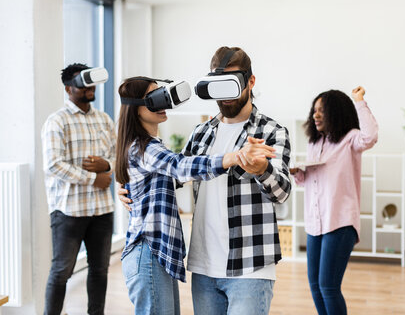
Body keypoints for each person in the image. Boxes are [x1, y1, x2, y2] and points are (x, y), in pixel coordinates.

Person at [119, 46, 292, 315]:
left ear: (250, 81)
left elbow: (281, 192)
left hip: (250, 266)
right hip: (204, 266)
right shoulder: (201, 133)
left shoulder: (271, 131)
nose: (224, 97)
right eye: (217, 86)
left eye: (231, 85)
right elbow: (175, 174)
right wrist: (128, 188)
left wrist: (261, 169)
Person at [290, 86, 378, 315]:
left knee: (328, 286)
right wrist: (297, 172)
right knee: (316, 286)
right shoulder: (313, 144)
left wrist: (359, 100)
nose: (315, 115)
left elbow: (370, 136)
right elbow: (311, 180)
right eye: (314, 110)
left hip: (340, 222)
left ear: (336, 112)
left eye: (322, 110)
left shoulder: (351, 140)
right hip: (315, 223)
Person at [41, 63, 116, 315]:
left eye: (91, 81)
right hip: (69, 211)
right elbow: (53, 165)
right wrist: (92, 178)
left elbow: (119, 156)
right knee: (62, 271)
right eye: (83, 82)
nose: (89, 87)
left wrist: (107, 165)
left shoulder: (104, 119)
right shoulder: (57, 121)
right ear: (68, 88)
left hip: (102, 210)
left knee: (99, 271)